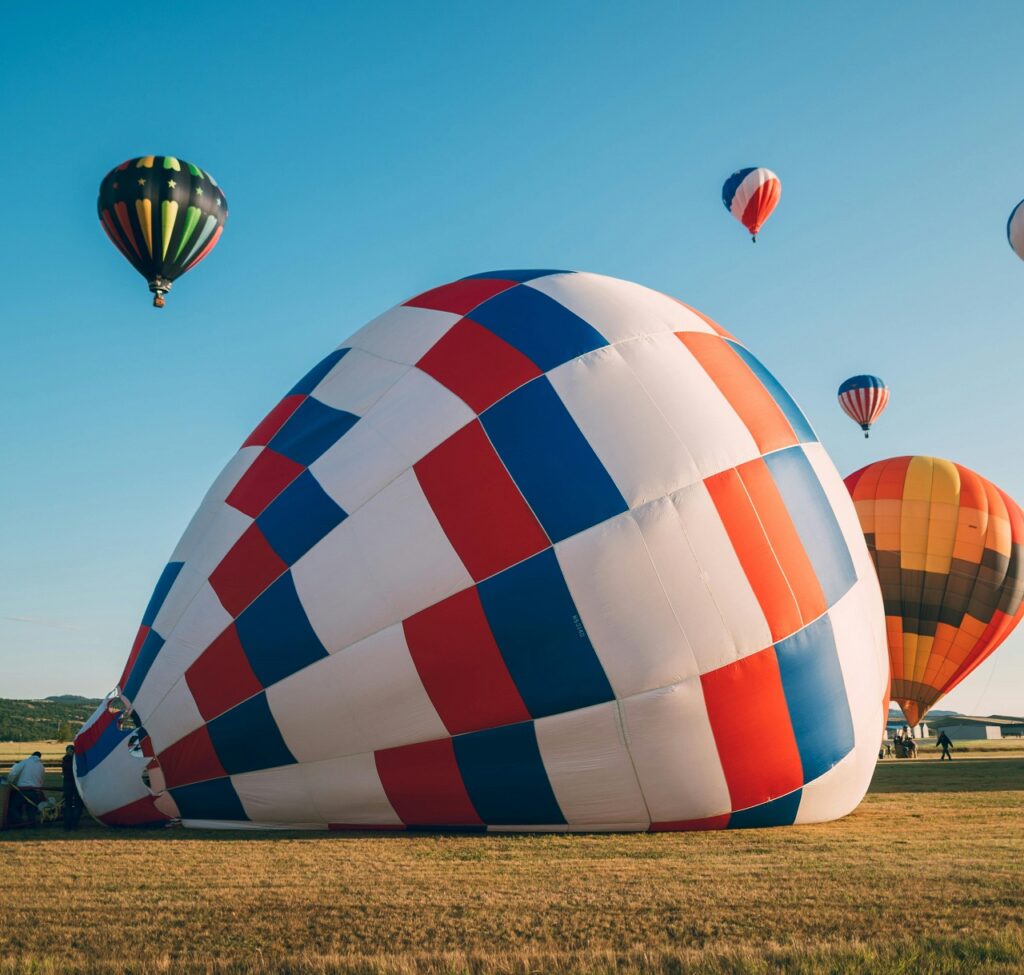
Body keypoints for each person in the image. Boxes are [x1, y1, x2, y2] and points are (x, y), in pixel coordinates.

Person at [7, 751, 46, 825]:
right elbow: (41, 779)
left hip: (23, 790)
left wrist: (9, 782)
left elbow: (14, 772)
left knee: (13, 806)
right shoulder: (41, 766)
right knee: (31, 809)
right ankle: (32, 823)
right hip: (35, 791)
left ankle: (18, 822)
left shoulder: (25, 762)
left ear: (31, 755)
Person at [61, 745, 82, 830]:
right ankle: (74, 824)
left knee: (68, 804)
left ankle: (67, 824)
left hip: (67, 783)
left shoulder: (65, 760)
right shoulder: (77, 760)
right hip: (77, 784)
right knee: (77, 804)